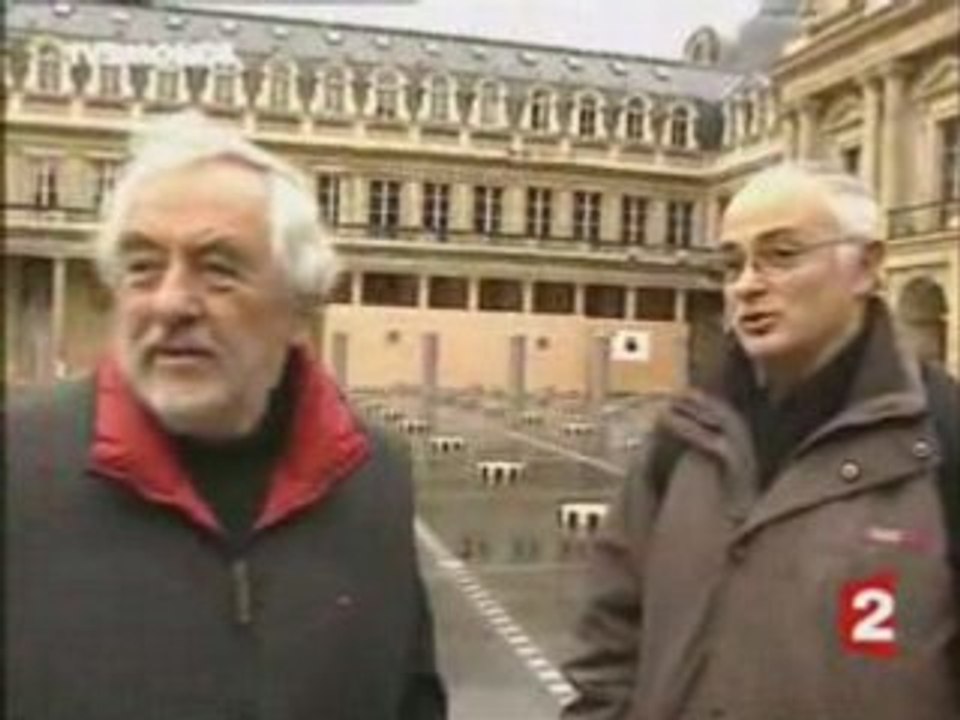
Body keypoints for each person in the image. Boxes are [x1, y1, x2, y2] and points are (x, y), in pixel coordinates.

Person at [6, 111, 447, 720]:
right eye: (142, 268)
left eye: (218, 270)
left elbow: (411, 699)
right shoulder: (16, 469)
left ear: (299, 308)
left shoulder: (373, 478)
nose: (171, 302)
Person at [561, 162, 959, 720]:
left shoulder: (945, 438)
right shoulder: (680, 439)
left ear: (867, 267)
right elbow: (608, 643)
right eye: (732, 263)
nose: (746, 284)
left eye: (782, 254)